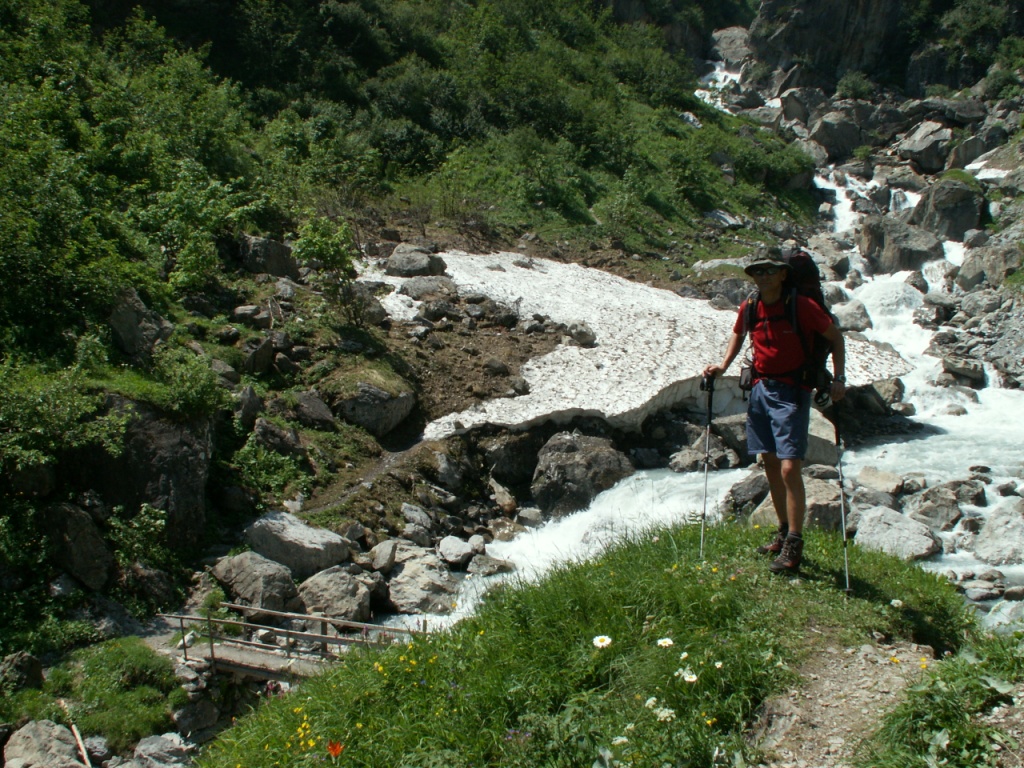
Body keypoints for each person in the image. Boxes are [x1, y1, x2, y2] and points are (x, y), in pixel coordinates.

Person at [702, 249, 846, 574]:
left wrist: (839, 379)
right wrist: (723, 366)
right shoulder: (751, 306)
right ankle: (782, 533)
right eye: (758, 271)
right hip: (760, 390)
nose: (763, 276)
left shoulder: (802, 306)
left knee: (789, 467)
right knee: (769, 462)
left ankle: (794, 542)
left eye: (770, 270)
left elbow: (836, 339)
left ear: (783, 274)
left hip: (792, 391)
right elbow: (739, 333)